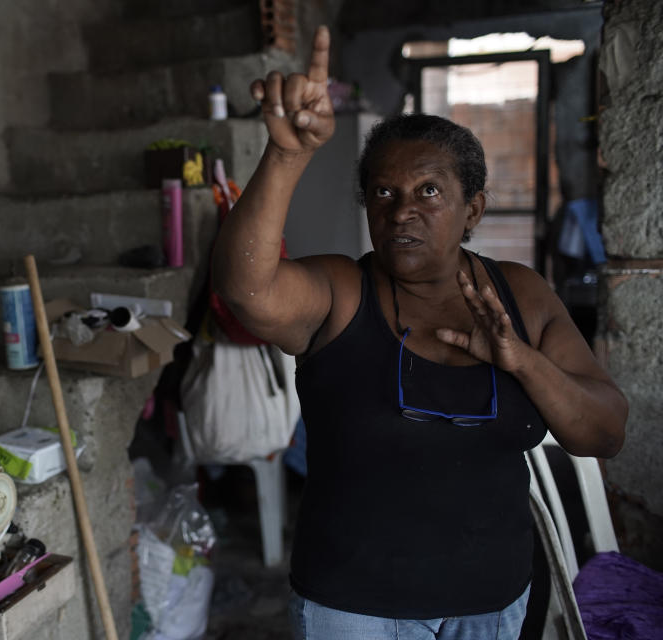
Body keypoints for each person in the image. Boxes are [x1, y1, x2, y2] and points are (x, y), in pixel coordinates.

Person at [211, 25, 628, 640]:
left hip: (491, 603)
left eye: (429, 191)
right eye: (384, 192)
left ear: (473, 210)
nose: (402, 210)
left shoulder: (522, 295)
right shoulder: (340, 292)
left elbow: (605, 431)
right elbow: (245, 290)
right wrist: (288, 154)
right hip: (351, 608)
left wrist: (522, 361)